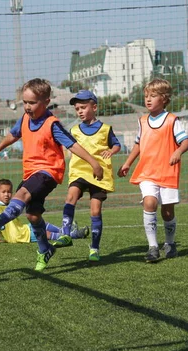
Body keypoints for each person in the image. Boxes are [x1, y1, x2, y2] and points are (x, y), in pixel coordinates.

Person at [0, 78, 104, 271]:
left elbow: (72, 144)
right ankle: (45, 249)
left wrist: (94, 163)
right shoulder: (24, 119)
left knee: (20, 195)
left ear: (45, 102)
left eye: (31, 103)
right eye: (24, 102)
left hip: (48, 172)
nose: (27, 107)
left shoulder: (52, 124)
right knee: (33, 216)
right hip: (31, 173)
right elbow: (13, 134)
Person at [117, 78, 188, 263]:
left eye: (153, 96)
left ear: (164, 99)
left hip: (167, 173)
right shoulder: (142, 121)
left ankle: (170, 243)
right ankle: (153, 247)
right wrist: (127, 163)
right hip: (147, 172)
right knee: (149, 203)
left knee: (167, 212)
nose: (148, 99)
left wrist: (178, 151)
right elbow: (138, 145)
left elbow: (186, 142)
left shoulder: (172, 120)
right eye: (146, 96)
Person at [52, 90, 121, 262]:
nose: (80, 111)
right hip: (79, 171)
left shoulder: (105, 129)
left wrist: (111, 150)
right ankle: (66, 233)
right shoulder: (74, 130)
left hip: (99, 174)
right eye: (77, 109)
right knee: (70, 197)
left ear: (94, 107)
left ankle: (95, 248)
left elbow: (117, 145)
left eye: (83, 107)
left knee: (95, 210)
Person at [0, 179, 89, 246]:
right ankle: (74, 234)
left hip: (23, 229)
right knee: (46, 234)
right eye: (3, 192)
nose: (7, 194)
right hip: (20, 235)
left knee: (41, 223)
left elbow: (0, 226)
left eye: (9, 192)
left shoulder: (8, 206)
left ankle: (65, 230)